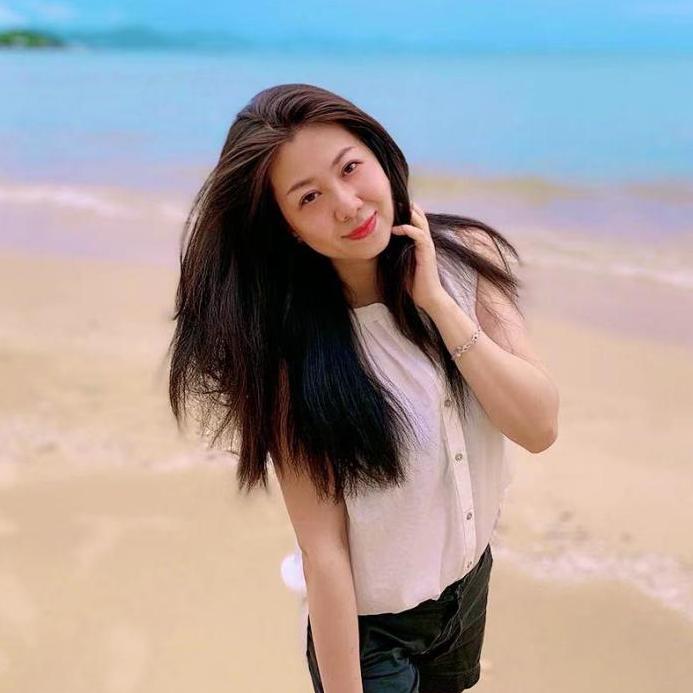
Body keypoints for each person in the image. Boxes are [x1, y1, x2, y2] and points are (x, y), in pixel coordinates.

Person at [168, 83, 560, 693]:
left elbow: (538, 427)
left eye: (350, 168)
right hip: (370, 634)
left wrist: (438, 305)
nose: (348, 205)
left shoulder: (468, 259)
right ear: (289, 228)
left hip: (468, 590)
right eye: (310, 197)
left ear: (379, 153)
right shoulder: (292, 357)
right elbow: (324, 555)